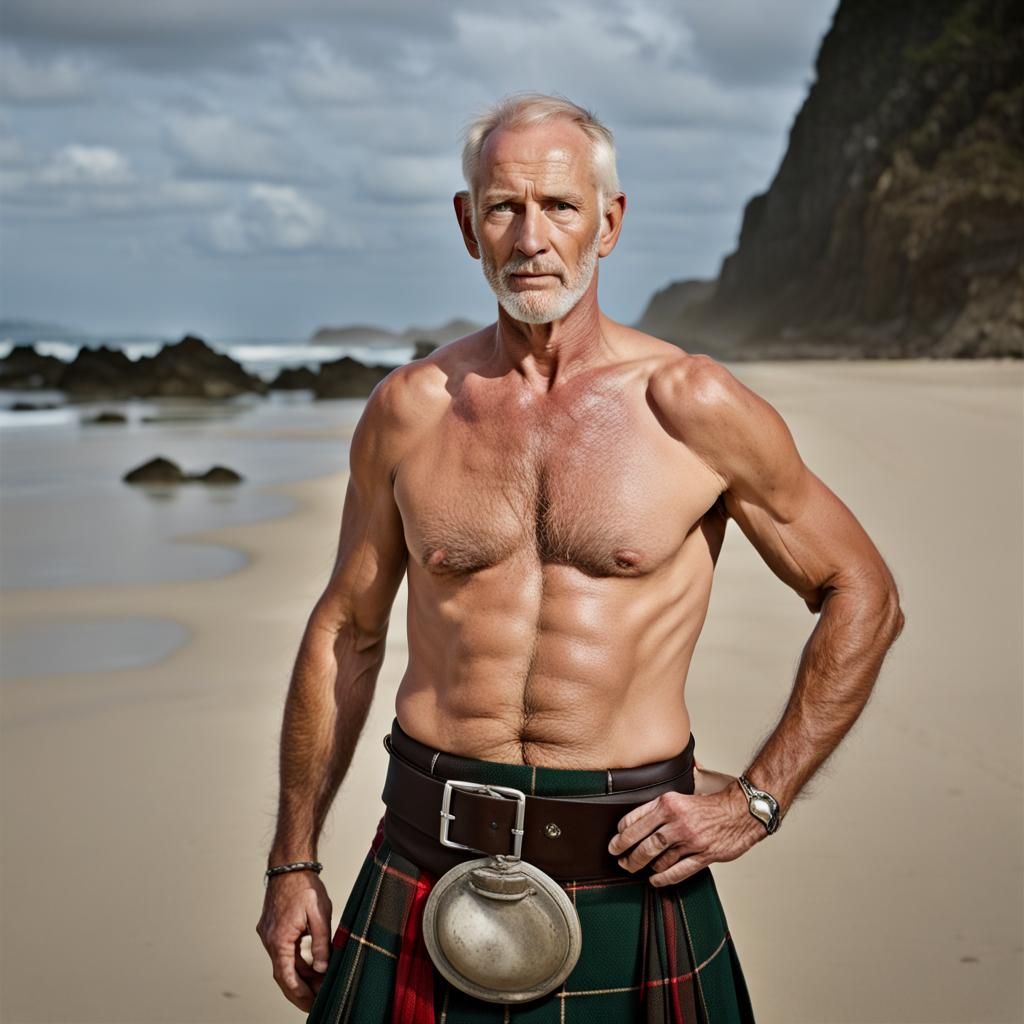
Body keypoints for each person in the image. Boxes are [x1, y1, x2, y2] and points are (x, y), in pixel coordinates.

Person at [256, 93, 905, 1023]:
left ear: (610, 222)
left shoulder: (693, 406)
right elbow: (347, 634)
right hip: (422, 860)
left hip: (628, 876)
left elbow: (862, 593)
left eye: (560, 206)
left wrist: (758, 801)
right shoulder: (411, 409)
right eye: (502, 207)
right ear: (465, 223)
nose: (531, 237)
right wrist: (293, 860)